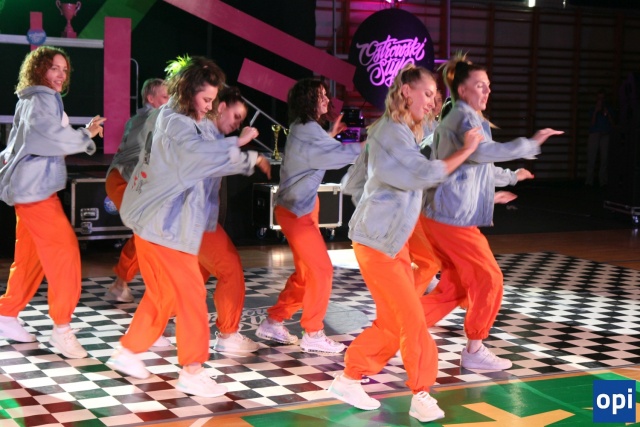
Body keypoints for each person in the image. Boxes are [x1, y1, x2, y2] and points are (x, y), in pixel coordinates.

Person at [106, 56, 269, 398]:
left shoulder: (182, 120)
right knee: (192, 293)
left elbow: (206, 153)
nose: (210, 106)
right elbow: (200, 157)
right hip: (163, 227)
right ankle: (192, 370)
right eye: (206, 99)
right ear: (188, 92)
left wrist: (240, 151)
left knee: (163, 294)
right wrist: (245, 154)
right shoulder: (176, 124)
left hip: (161, 225)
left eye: (213, 100)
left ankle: (128, 352)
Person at [328, 64, 481, 423]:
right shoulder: (390, 133)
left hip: (390, 242)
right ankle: (421, 393)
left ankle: (349, 378)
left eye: (434, 96)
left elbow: (354, 181)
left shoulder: (402, 130)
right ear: (406, 91)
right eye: (426, 94)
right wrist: (466, 149)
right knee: (412, 320)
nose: (431, 101)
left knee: (391, 322)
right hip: (377, 244)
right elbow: (424, 172)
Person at [419, 53, 563, 372]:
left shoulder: (468, 118)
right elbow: (483, 153)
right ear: (463, 90)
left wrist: (512, 176)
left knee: (455, 288)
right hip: (452, 219)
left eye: (488, 86)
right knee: (490, 279)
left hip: (447, 216)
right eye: (480, 86)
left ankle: (399, 327)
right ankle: (474, 349)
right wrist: (531, 143)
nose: (487, 91)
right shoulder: (462, 118)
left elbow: (480, 165)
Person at [0, 46, 105, 358]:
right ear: (39, 69)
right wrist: (85, 137)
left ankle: (6, 314)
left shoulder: (33, 99)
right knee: (65, 254)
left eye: (64, 69)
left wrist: (84, 132)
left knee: (30, 259)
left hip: (32, 190)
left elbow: (25, 141)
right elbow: (47, 138)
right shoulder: (41, 98)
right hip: (35, 192)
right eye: (54, 68)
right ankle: (61, 328)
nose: (61, 74)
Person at [255, 78, 360, 354]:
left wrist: (331, 134)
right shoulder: (308, 131)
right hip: (297, 212)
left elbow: (320, 151)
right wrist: (371, 146)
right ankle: (313, 332)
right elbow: (336, 156)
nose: (326, 100)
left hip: (299, 209)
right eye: (321, 95)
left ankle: (273, 321)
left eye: (325, 95)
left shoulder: (305, 128)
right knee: (321, 270)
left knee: (306, 275)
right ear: (308, 101)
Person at [200, 85, 270, 354]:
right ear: (221, 108)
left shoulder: (212, 134)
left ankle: (148, 332)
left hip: (194, 221)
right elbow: (214, 159)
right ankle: (228, 335)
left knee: (192, 278)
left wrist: (250, 156)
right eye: (236, 116)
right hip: (195, 221)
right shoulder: (204, 131)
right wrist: (247, 151)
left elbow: (221, 160)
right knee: (231, 270)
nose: (238, 124)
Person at [105, 78, 169, 304]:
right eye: (166, 97)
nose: (170, 101)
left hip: (123, 179)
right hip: (124, 180)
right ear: (151, 99)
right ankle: (126, 284)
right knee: (149, 229)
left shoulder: (142, 118)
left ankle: (121, 284)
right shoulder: (153, 117)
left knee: (148, 229)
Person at [586, 89, 614, 187]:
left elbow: (613, 124)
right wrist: (595, 112)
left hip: (605, 134)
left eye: (602, 98)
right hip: (595, 134)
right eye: (599, 98)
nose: (601, 100)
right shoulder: (593, 109)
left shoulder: (609, 109)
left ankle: (603, 181)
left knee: (604, 159)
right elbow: (592, 123)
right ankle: (589, 181)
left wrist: (608, 114)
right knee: (591, 158)